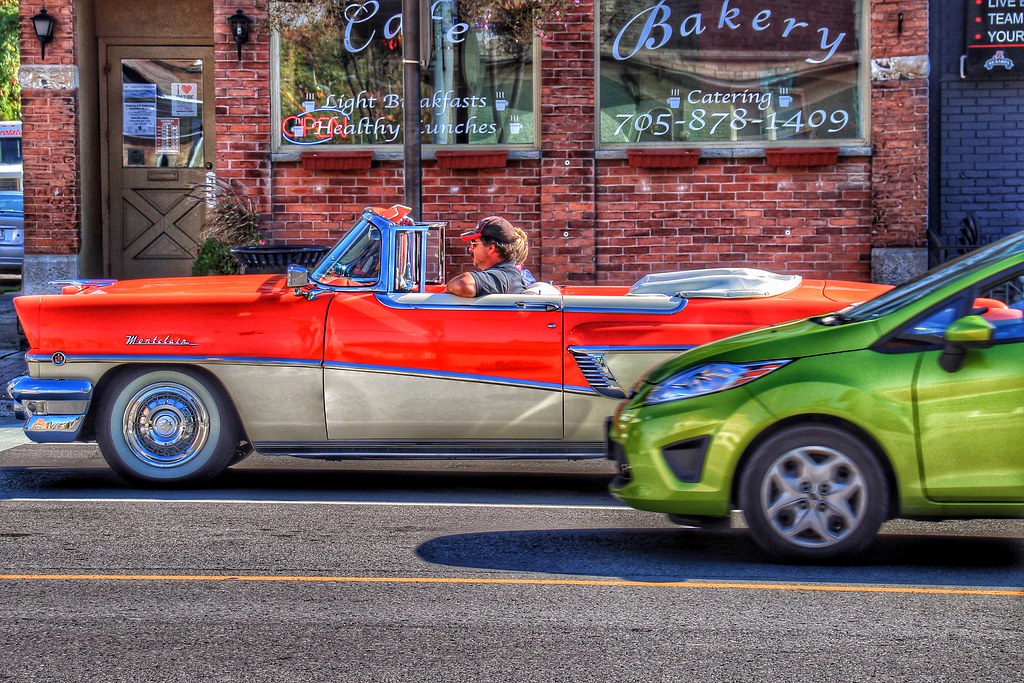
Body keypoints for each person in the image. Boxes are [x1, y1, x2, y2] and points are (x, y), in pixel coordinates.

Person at [445, 216, 529, 297]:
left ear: (491, 248)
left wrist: (447, 288)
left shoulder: (505, 275)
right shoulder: (510, 275)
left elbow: (463, 284)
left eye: (474, 243)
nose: (470, 249)